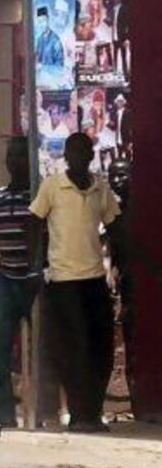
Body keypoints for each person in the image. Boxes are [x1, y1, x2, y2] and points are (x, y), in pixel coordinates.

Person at [29, 133, 120, 433]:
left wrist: (121, 265)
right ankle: (80, 415)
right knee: (74, 348)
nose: (80, 156)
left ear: (91, 155)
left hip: (94, 279)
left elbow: (115, 226)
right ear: (67, 155)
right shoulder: (52, 186)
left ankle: (93, 412)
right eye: (74, 151)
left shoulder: (99, 188)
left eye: (85, 151)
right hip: (64, 280)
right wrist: (37, 266)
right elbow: (35, 224)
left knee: (101, 346)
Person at [0, 137, 42, 427]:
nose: (15, 161)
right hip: (6, 278)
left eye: (20, 156)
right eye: (11, 156)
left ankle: (42, 411)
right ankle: (4, 413)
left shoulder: (39, 195)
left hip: (35, 279)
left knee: (42, 348)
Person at [106, 158, 135, 414]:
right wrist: (113, 272)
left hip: (143, 283)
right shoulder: (115, 212)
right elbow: (115, 250)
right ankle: (138, 404)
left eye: (122, 175)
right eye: (113, 176)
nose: (117, 181)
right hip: (127, 286)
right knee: (131, 340)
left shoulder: (141, 210)